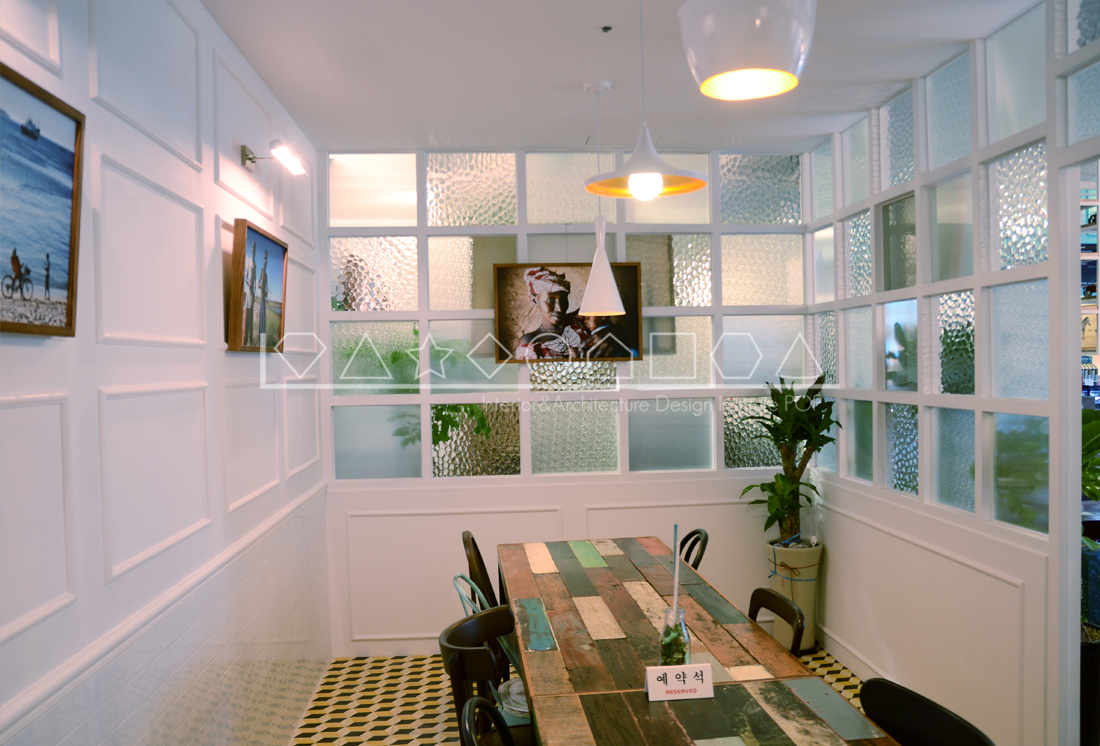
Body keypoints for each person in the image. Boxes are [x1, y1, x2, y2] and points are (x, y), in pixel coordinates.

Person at [515, 267, 591, 360]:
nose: (559, 308)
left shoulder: (582, 320)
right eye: (550, 300)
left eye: (563, 299)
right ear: (534, 300)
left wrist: (605, 332)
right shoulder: (530, 343)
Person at [243, 242, 256, 346]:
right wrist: (249, 283)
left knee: (251, 317)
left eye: (254, 248)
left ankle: (250, 341)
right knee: (247, 315)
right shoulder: (249, 261)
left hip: (252, 294)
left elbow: (255, 281)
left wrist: (254, 293)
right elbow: (246, 276)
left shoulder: (255, 265)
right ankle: (245, 338)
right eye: (252, 248)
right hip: (248, 292)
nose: (253, 250)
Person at [257, 249, 269, 344]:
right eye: (264, 258)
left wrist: (266, 292)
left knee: (264, 320)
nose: (265, 260)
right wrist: (260, 286)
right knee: (261, 319)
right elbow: (258, 283)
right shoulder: (261, 271)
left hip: (264, 300)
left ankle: (263, 341)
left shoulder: (266, 275)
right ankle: (259, 338)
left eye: (266, 259)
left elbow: (267, 287)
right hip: (261, 299)